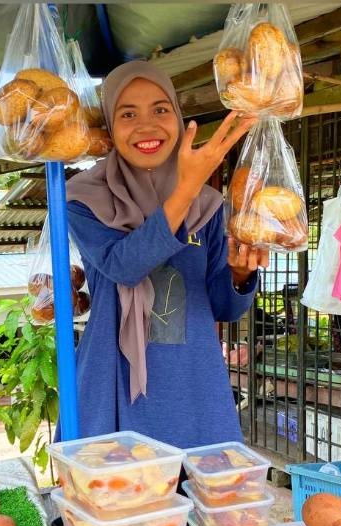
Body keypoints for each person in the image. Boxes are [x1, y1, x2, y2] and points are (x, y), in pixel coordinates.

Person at [63, 60, 268, 449]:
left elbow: (223, 307)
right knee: (120, 484)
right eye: (128, 114)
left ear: (178, 117)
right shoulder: (85, 199)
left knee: (202, 487)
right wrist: (186, 189)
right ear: (110, 127)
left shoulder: (208, 206)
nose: (147, 126)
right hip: (114, 385)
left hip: (194, 387)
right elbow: (124, 265)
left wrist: (240, 275)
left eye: (160, 109)